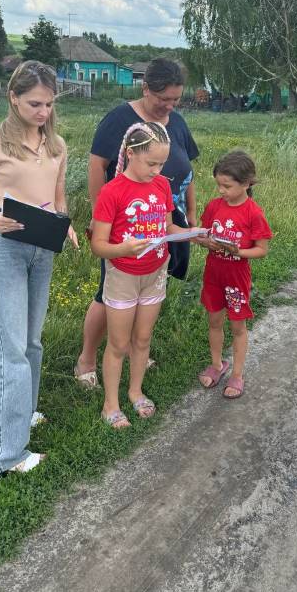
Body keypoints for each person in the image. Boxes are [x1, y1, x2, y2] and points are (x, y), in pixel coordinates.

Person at [0, 61, 78, 481]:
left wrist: (65, 225)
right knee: (9, 350)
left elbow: (58, 198)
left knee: (31, 342)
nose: (43, 112)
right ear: (13, 98)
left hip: (42, 248)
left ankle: (24, 412)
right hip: (7, 249)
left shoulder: (56, 145)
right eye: (35, 104)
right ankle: (3, 456)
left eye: (49, 104)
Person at [74, 58, 199, 388]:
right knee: (108, 293)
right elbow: (96, 166)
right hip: (123, 226)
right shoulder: (120, 119)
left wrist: (192, 212)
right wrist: (100, 215)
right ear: (145, 88)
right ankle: (87, 358)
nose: (169, 106)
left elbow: (188, 171)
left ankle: (132, 347)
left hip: (163, 221)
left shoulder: (177, 122)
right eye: (163, 99)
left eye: (175, 99)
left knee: (148, 287)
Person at [90, 122, 197, 427]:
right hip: (123, 275)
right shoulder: (112, 191)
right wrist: (123, 249)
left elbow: (168, 226)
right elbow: (98, 245)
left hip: (155, 272)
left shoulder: (161, 185)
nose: (157, 170)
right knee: (118, 344)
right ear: (131, 153)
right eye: (151, 163)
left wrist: (193, 235)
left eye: (161, 164)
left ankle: (135, 391)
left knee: (143, 337)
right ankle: (110, 404)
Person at [196, 151, 272, 399]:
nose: (221, 191)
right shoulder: (214, 206)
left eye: (227, 186)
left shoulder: (253, 213)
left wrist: (237, 251)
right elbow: (203, 234)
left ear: (247, 183)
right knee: (214, 321)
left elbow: (261, 250)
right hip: (213, 275)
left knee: (237, 325)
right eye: (218, 185)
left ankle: (237, 374)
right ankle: (217, 364)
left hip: (236, 279)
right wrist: (205, 241)